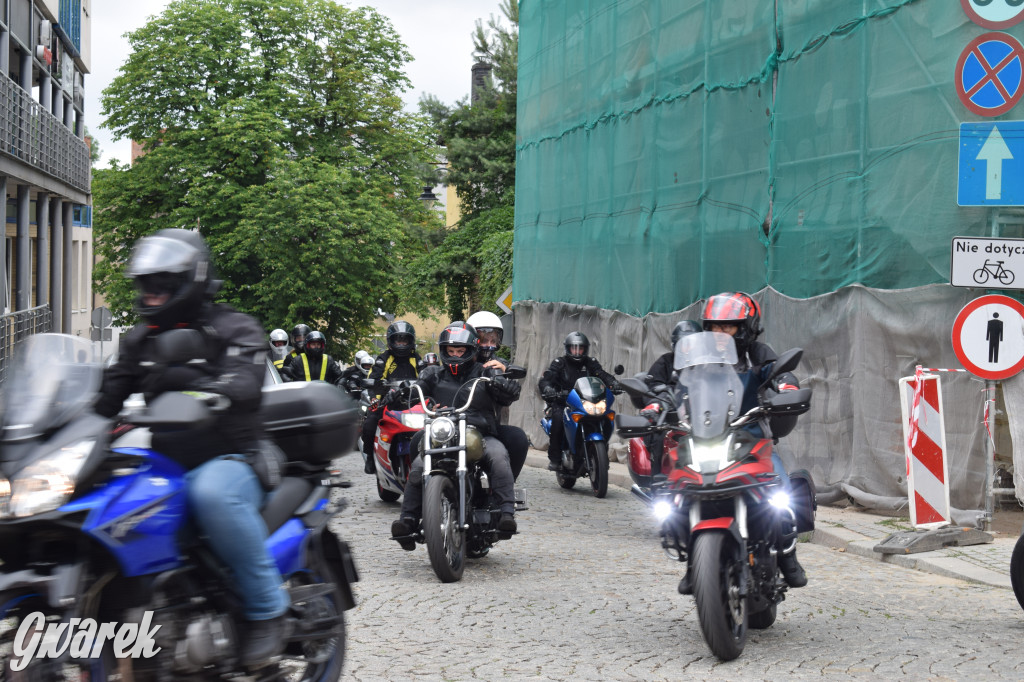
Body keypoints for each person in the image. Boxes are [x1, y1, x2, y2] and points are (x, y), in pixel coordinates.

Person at [93, 228, 289, 666]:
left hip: (235, 455)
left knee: (211, 494)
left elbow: (245, 380)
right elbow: (103, 401)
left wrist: (216, 391)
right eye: (146, 283)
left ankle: (266, 611)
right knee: (108, 509)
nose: (152, 292)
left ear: (192, 279)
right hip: (165, 462)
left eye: (163, 283)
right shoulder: (139, 341)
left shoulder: (233, 326)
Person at [685, 290, 806, 591]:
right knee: (676, 494)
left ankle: (788, 553)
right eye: (714, 326)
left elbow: (779, 373)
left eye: (728, 326)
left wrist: (787, 387)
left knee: (782, 491)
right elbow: (677, 384)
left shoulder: (757, 353)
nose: (720, 333)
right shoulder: (697, 359)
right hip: (707, 438)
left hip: (752, 440)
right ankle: (695, 563)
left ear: (746, 327)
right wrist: (658, 401)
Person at [390, 322, 520, 549]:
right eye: (451, 351)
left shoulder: (485, 371)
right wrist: (398, 394)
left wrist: (505, 384)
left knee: (499, 456)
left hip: (479, 432)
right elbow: (414, 390)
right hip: (443, 434)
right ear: (443, 351)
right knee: (420, 464)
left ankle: (506, 513)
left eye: (460, 351)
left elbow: (508, 393)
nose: (455, 356)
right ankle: (408, 520)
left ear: (471, 350)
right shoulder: (433, 373)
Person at [538, 331, 619, 471]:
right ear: (568, 348)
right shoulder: (560, 363)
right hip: (564, 402)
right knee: (558, 420)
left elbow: (601, 374)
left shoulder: (590, 363)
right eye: (573, 348)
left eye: (580, 348)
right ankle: (555, 459)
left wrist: (613, 383)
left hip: (586, 402)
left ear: (585, 349)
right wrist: (548, 389)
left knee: (606, 416)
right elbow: (547, 379)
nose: (577, 352)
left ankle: (601, 454)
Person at [467, 310, 529, 480]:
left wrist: (504, 375)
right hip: (457, 425)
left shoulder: (500, 364)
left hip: (488, 427)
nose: (489, 345)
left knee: (518, 438)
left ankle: (505, 486)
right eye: (483, 340)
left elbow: (510, 395)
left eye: (493, 340)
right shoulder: (460, 360)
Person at [640, 319, 703, 481]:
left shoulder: (707, 365)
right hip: (672, 417)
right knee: (659, 436)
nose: (689, 348)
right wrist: (659, 402)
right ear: (676, 344)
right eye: (685, 344)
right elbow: (654, 386)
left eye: (693, 344)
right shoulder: (665, 362)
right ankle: (657, 481)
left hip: (702, 417)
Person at [361, 320, 421, 474]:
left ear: (410, 341)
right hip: (387, 402)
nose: (401, 344)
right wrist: (375, 396)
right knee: (370, 422)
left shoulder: (417, 359)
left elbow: (427, 375)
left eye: (404, 340)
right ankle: (369, 455)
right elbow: (373, 378)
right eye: (398, 340)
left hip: (413, 402)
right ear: (391, 341)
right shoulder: (384, 358)